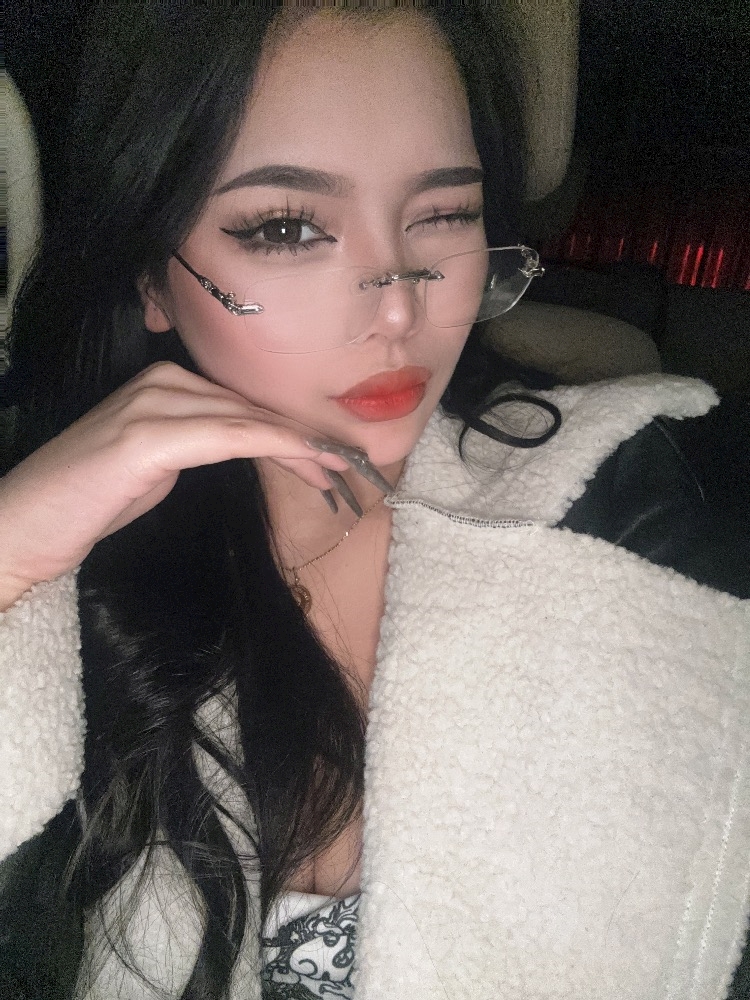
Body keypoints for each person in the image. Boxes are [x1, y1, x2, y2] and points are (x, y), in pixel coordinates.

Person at [0, 4, 748, 999]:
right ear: (151, 280)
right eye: (287, 228)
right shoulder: (59, 567)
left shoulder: (627, 499)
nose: (399, 307)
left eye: (443, 215)